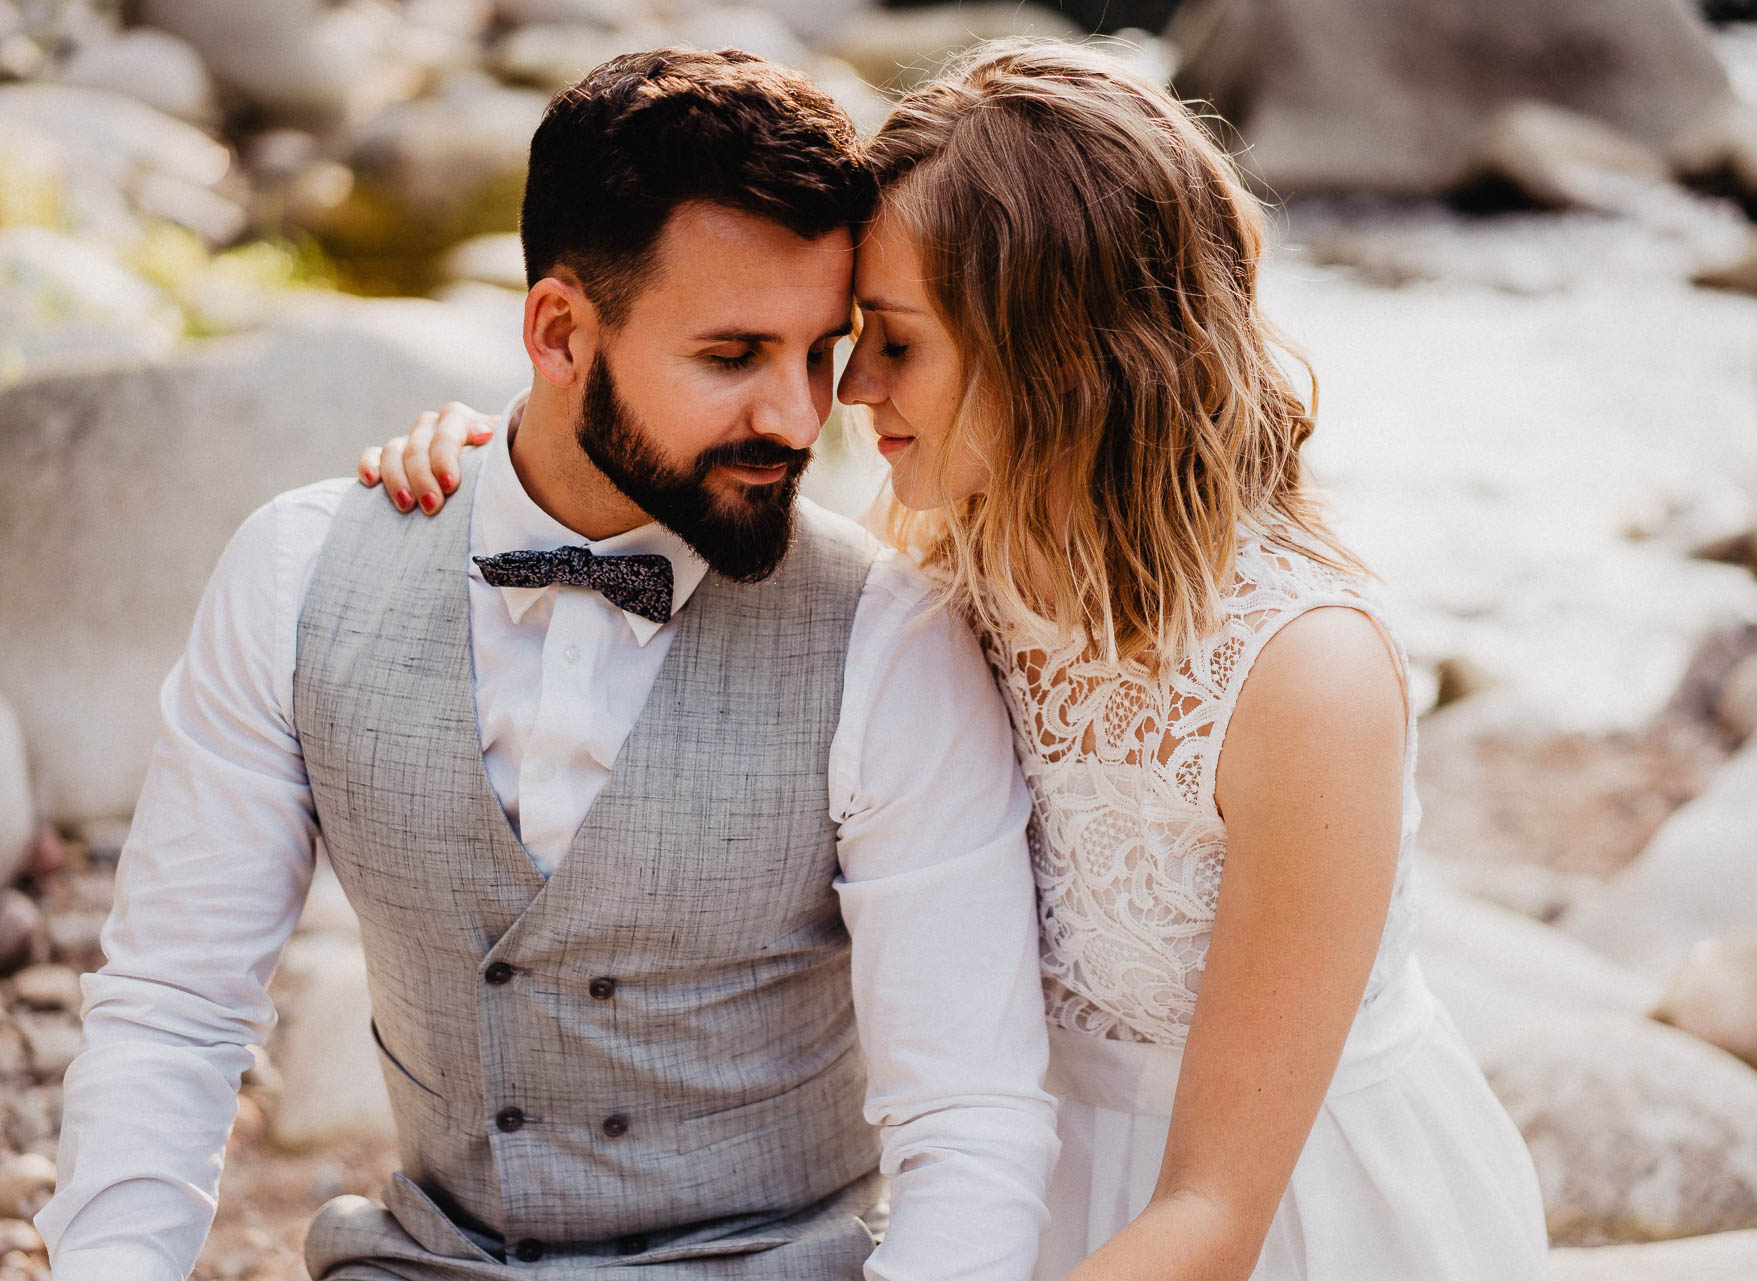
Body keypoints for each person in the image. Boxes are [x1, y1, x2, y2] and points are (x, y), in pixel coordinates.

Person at [378, 41, 1551, 1281]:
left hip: (1281, 1220)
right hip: (1017, 1181)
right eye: (851, 339)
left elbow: (1215, 1213)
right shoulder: (955, 553)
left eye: (894, 343)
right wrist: (496, 475)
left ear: (1059, 357)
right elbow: (640, 475)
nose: (844, 392)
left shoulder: (1303, 683)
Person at [36, 49, 1060, 1281]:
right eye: (733, 357)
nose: (797, 418)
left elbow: (969, 1123)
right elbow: (177, 1008)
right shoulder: (295, 576)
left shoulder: (889, 639)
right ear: (560, 331)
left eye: (818, 351)